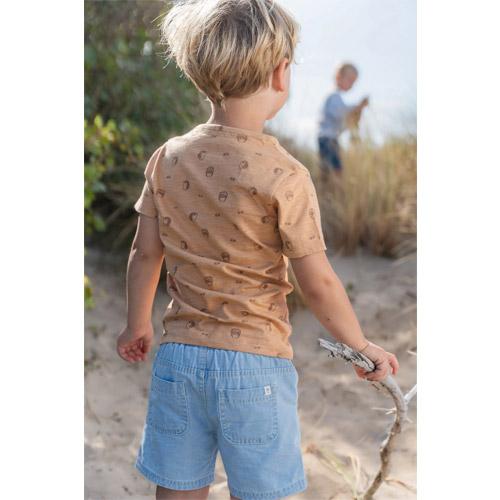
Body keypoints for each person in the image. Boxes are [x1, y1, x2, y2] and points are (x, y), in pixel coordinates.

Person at [116, 2, 399, 499]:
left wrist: (137, 324)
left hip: (179, 359)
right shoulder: (286, 174)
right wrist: (361, 346)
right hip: (254, 366)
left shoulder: (168, 157)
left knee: (177, 488)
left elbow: (144, 254)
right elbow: (318, 282)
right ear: (280, 73)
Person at [318, 63, 369, 174]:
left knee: (333, 169)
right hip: (327, 139)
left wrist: (356, 112)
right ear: (338, 77)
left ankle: (328, 183)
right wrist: (357, 107)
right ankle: (327, 184)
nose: (352, 85)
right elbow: (340, 113)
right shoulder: (333, 96)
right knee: (333, 170)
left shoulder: (338, 98)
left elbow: (342, 122)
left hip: (332, 139)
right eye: (350, 80)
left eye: (353, 82)